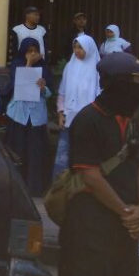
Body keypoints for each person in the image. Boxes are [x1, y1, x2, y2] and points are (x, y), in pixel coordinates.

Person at [55, 52, 139, 276]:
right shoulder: (88, 120)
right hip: (88, 235)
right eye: (135, 82)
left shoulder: (131, 123)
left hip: (123, 237)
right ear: (115, 85)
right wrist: (128, 212)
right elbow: (91, 177)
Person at [3, 38, 53, 196]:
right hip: (19, 114)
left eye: (34, 51)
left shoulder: (44, 66)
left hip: (36, 116)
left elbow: (50, 92)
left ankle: (34, 189)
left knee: (35, 153)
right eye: (29, 51)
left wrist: (43, 87)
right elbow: (18, 87)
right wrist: (29, 65)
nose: (32, 54)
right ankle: (17, 187)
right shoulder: (17, 64)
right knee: (18, 151)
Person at [54, 35, 102, 178]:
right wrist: (61, 113)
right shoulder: (70, 66)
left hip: (87, 123)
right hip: (68, 120)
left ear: (89, 48)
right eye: (75, 47)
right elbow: (62, 92)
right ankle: (59, 192)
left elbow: (100, 95)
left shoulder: (97, 69)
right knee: (62, 159)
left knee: (83, 160)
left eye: (80, 47)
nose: (77, 50)